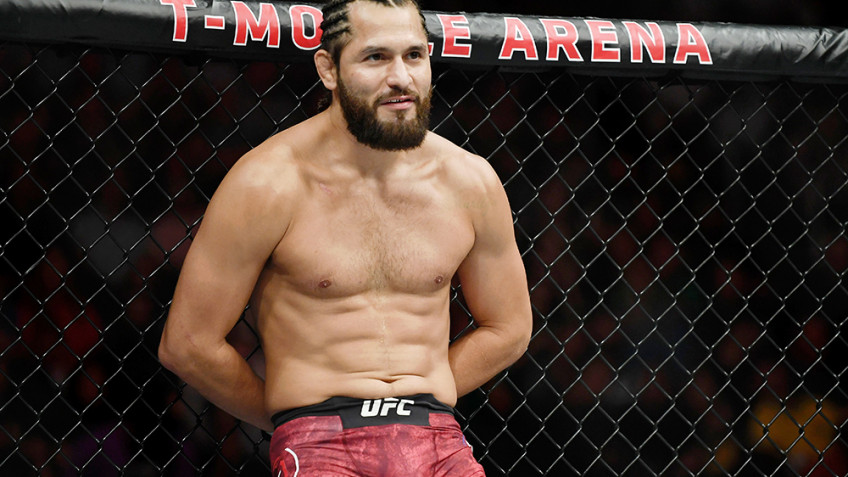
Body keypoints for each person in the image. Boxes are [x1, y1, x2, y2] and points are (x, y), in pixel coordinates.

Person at [158, 0, 532, 474]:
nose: (401, 77)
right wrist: (291, 418)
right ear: (328, 70)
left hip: (437, 437)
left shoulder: (469, 181)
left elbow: (509, 328)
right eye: (376, 57)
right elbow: (188, 342)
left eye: (414, 55)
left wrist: (422, 396)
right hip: (320, 441)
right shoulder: (267, 183)